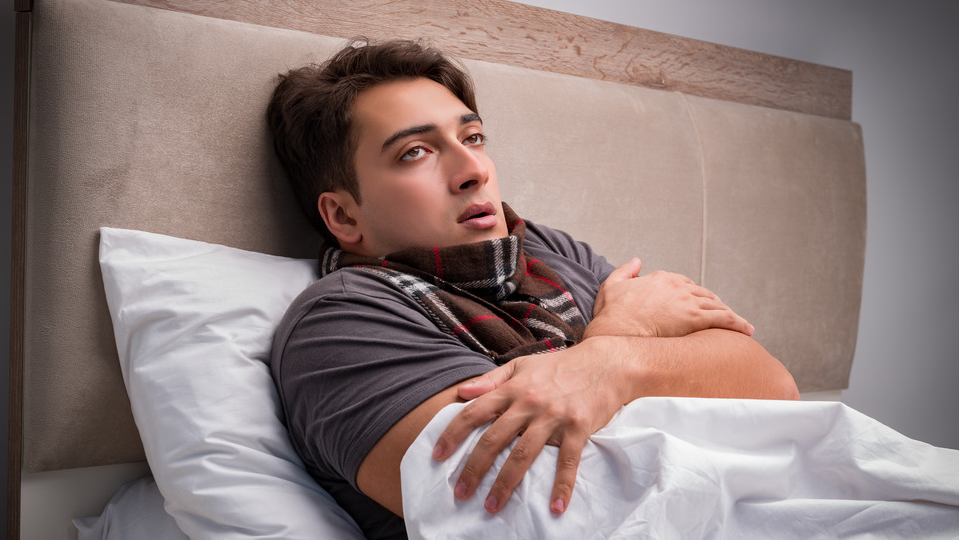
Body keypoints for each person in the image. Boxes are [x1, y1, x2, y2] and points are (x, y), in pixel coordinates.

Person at [266, 38, 800, 539]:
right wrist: (623, 333)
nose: (473, 169)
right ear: (343, 214)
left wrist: (612, 363)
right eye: (415, 153)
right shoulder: (339, 325)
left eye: (472, 138)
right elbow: (540, 512)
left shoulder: (545, 251)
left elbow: (775, 389)